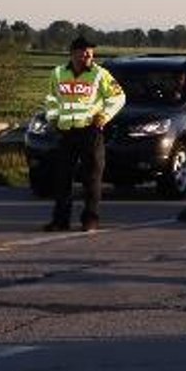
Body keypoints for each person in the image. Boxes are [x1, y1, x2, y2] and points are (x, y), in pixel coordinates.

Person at [43, 35, 126, 232]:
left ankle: (90, 219)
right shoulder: (58, 73)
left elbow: (118, 96)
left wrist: (104, 116)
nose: (88, 54)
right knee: (62, 179)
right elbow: (51, 99)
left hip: (90, 132)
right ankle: (60, 221)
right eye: (83, 51)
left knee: (92, 178)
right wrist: (52, 118)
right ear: (73, 54)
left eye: (90, 51)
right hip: (65, 132)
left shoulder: (100, 74)